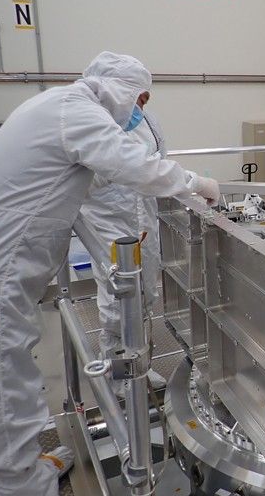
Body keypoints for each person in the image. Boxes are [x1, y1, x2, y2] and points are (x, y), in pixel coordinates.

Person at [0, 52, 219, 496]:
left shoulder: (61, 105)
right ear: (120, 89)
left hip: (4, 257)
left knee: (8, 365)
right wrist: (194, 183)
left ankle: (24, 468)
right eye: (139, 98)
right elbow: (132, 165)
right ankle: (17, 485)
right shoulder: (76, 111)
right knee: (2, 378)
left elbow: (110, 171)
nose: (140, 109)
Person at [77, 89, 168, 394]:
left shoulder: (149, 123)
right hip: (109, 219)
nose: (141, 106)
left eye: (145, 99)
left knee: (146, 293)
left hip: (145, 220)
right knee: (118, 298)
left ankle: (141, 365)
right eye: (137, 98)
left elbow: (159, 166)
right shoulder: (92, 125)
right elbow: (86, 178)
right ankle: (117, 374)